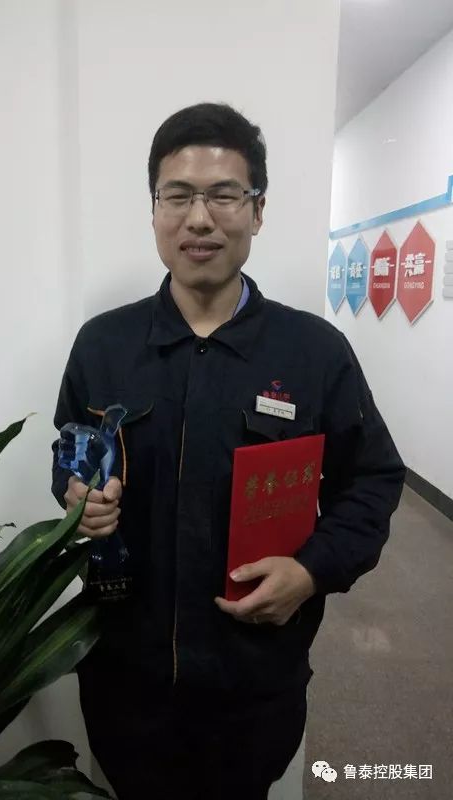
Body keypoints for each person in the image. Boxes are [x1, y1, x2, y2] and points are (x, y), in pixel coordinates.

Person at [51, 102, 405, 800]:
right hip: (127, 680)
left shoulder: (313, 352)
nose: (200, 219)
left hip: (253, 683)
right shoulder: (104, 346)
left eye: (224, 195)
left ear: (258, 210)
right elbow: (68, 456)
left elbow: (373, 478)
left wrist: (311, 571)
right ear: (154, 209)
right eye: (178, 196)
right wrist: (77, 500)